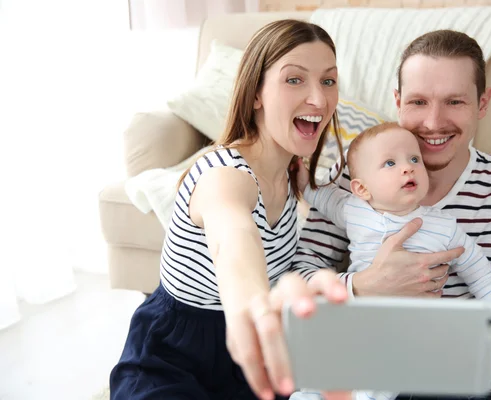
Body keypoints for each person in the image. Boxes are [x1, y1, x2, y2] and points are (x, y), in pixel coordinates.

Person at [291, 30, 491, 400]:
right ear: (398, 101)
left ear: (482, 103)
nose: (434, 122)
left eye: (454, 101)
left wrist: (413, 360)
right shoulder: (357, 173)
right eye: (418, 102)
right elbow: (295, 277)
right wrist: (363, 285)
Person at [109, 19, 352, 400]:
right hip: (173, 357)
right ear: (256, 92)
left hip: (246, 363)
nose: (319, 100)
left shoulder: (294, 176)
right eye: (294, 80)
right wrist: (253, 306)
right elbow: (232, 238)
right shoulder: (224, 174)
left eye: (328, 81)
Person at [291, 122, 491, 400]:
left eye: (414, 159)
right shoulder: (353, 209)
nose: (408, 167)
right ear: (361, 188)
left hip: (408, 326)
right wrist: (301, 178)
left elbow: (474, 262)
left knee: (390, 365)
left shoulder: (442, 225)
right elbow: (321, 196)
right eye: (390, 163)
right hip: (358, 313)